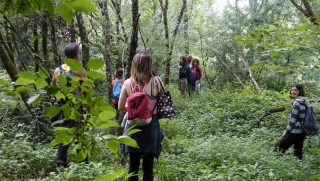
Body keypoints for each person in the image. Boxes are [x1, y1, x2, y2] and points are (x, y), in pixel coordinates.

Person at [118, 52, 164, 181]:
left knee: (133, 166)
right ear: (149, 65)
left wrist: (134, 110)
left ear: (134, 65)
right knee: (148, 167)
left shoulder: (127, 83)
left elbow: (120, 107)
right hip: (151, 126)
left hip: (132, 126)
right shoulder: (157, 81)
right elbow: (163, 106)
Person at [52, 43, 89, 171]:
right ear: (77, 57)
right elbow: (88, 89)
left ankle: (60, 166)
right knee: (80, 136)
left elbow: (53, 89)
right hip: (76, 109)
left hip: (61, 110)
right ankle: (84, 165)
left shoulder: (57, 71)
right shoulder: (80, 71)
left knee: (64, 137)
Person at [274, 84, 307, 160]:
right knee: (298, 151)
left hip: (295, 130)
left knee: (278, 147)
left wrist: (286, 131)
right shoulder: (305, 101)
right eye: (292, 90)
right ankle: (299, 166)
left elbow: (292, 119)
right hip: (302, 131)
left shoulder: (296, 103)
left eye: (295, 90)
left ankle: (276, 164)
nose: (293, 92)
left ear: (299, 91)